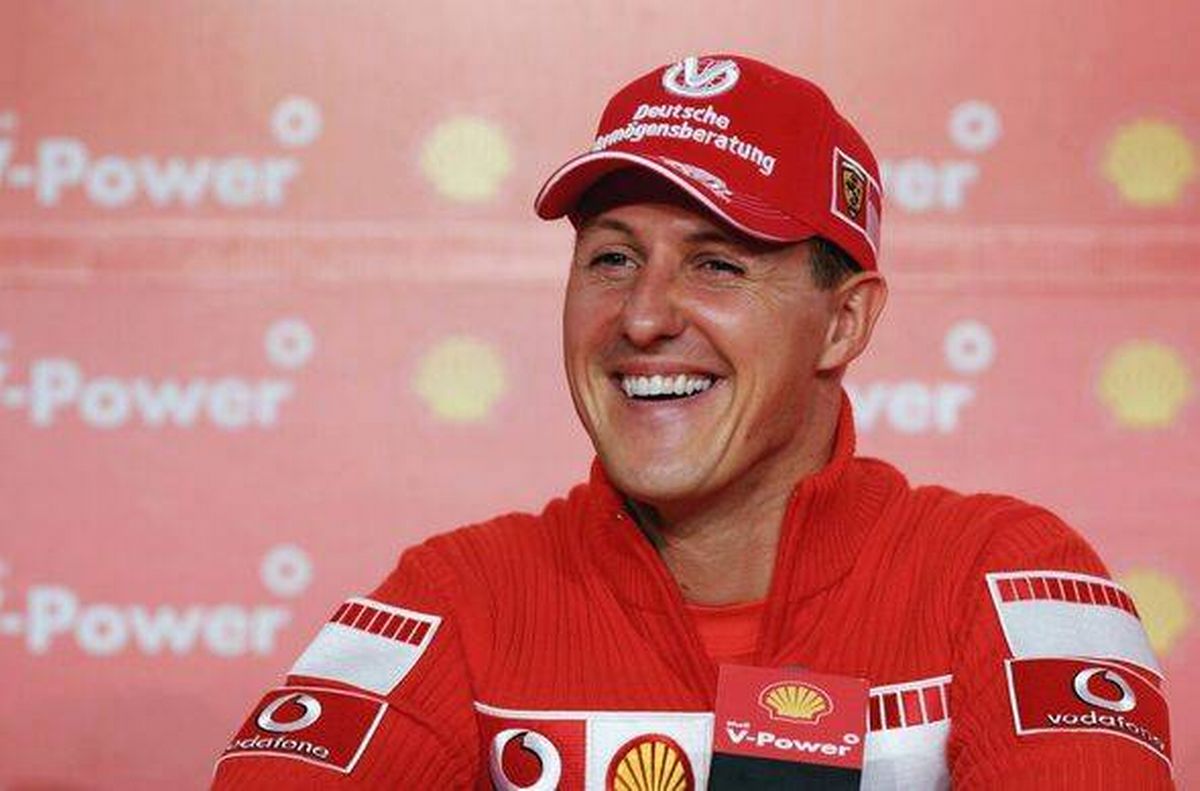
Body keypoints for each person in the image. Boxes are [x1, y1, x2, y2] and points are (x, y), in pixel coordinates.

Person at [212, 55, 1173, 789]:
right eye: (612, 259)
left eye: (717, 264)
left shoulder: (1004, 579)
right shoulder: (459, 597)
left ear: (843, 321)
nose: (642, 317)